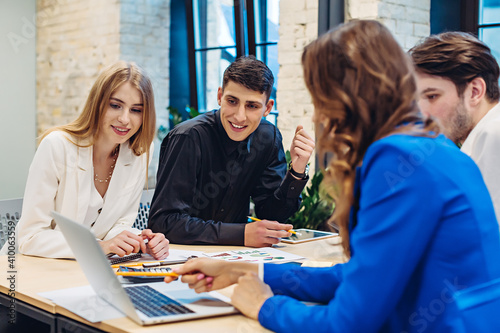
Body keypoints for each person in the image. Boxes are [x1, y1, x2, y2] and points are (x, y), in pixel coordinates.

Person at [164, 20, 500, 332]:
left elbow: (348, 323)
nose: (318, 115)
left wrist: (264, 305)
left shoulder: (395, 157)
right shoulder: (434, 146)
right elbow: (361, 276)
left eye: (319, 98)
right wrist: (246, 270)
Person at [1, 61, 169, 259]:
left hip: (87, 269)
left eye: (136, 110)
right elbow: (30, 237)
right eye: (115, 106)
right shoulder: (57, 146)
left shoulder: (138, 153)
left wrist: (138, 240)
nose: (125, 119)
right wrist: (100, 246)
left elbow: (118, 226)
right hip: (27, 270)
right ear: (97, 103)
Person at [148, 56, 315, 247]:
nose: (240, 116)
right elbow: (163, 223)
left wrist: (297, 171)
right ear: (220, 96)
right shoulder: (188, 137)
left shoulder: (268, 138)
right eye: (232, 101)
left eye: (252, 106)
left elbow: (271, 215)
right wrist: (240, 234)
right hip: (179, 255)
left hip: (237, 256)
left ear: (268, 108)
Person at [409, 32, 500, 222]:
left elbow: (486, 238)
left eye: (432, 96)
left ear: (475, 91)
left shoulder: (493, 134)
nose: (421, 113)